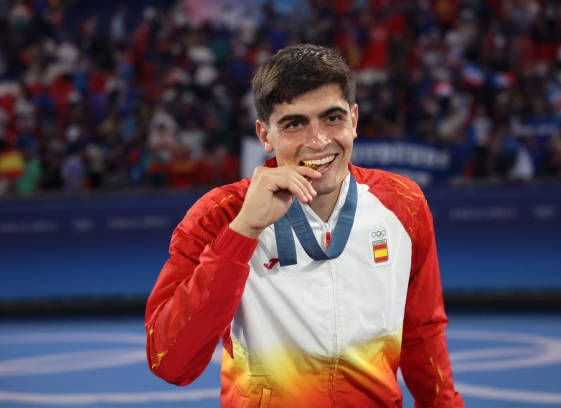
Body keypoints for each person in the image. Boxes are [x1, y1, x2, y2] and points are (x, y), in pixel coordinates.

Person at [145, 44, 464, 407]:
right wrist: (243, 231)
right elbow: (170, 362)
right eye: (294, 124)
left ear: (354, 120)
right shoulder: (219, 215)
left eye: (333, 118)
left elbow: (423, 336)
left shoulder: (403, 204)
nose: (318, 141)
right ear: (265, 135)